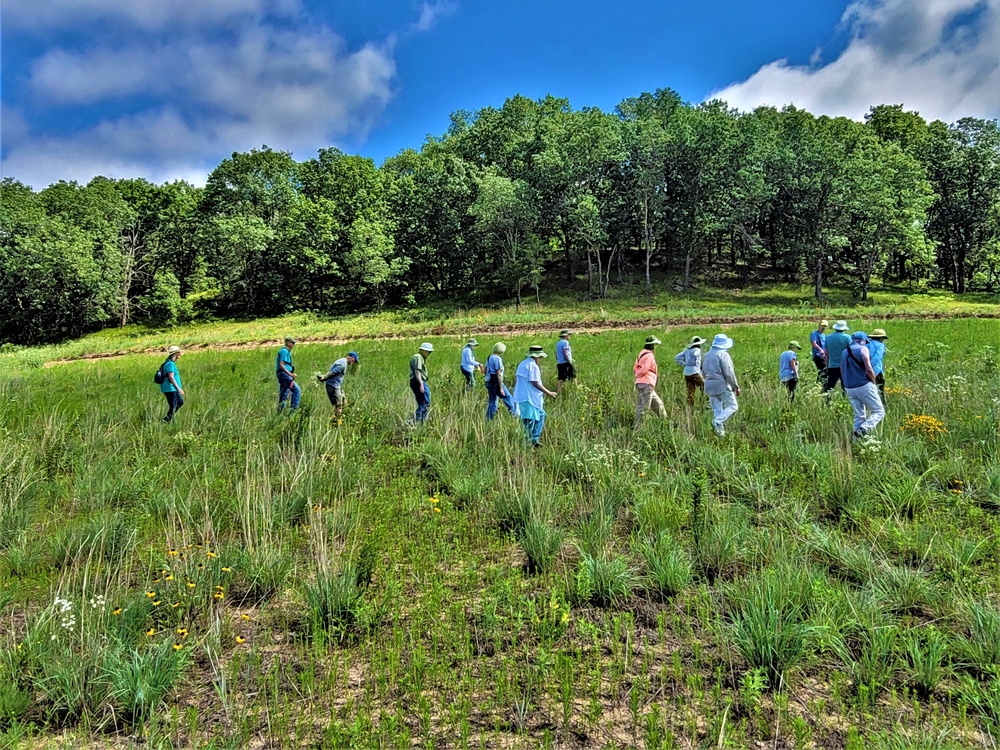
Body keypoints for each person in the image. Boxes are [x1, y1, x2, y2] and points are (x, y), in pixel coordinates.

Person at [841, 331, 885, 438]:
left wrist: (845, 385)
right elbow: (869, 368)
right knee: (879, 411)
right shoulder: (863, 349)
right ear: (863, 340)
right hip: (863, 385)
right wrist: (873, 382)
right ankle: (863, 429)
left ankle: (856, 441)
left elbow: (842, 370)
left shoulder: (844, 352)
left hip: (849, 387)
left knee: (859, 416)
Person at [513, 345, 557, 447]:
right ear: (537, 357)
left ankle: (534, 439)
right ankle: (527, 443)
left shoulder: (523, 364)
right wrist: (549, 392)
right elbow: (535, 382)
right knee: (529, 421)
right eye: (540, 357)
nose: (540, 359)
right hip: (529, 397)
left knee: (541, 415)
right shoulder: (533, 366)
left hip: (523, 396)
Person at [702, 334, 741, 437]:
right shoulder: (723, 354)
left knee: (717, 409)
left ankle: (720, 435)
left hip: (709, 384)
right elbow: (728, 372)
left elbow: (703, 371)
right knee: (733, 406)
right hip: (721, 384)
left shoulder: (707, 355)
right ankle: (718, 422)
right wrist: (735, 387)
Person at [317, 351, 359, 422]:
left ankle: (342, 419)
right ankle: (336, 422)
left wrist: (324, 377)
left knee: (344, 403)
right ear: (352, 358)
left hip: (336, 386)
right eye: (354, 361)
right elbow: (334, 372)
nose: (353, 363)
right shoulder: (342, 364)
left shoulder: (341, 361)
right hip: (333, 386)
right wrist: (324, 378)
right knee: (339, 406)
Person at [634, 336, 665, 429]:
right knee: (643, 408)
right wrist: (639, 374)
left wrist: (637, 374)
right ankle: (638, 429)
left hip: (642, 383)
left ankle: (666, 422)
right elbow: (644, 369)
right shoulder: (649, 356)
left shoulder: (641, 354)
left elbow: (635, 367)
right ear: (652, 346)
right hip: (646, 383)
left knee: (658, 404)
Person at [485, 342, 516, 421]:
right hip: (496, 382)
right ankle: (514, 415)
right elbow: (498, 374)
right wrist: (501, 388)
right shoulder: (497, 359)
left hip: (488, 381)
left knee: (492, 401)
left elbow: (485, 370)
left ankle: (488, 419)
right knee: (508, 398)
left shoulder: (490, 357)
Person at [675, 336, 706, 407]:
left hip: (687, 372)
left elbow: (677, 357)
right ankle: (703, 404)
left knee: (690, 391)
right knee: (705, 386)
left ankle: (690, 408)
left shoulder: (687, 350)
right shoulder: (697, 350)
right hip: (695, 372)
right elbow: (697, 358)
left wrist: (685, 364)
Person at [823, 321, 852, 398]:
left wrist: (826, 365)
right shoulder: (848, 338)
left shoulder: (828, 337)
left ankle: (827, 401)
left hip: (832, 365)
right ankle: (845, 399)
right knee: (845, 385)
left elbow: (826, 353)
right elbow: (851, 351)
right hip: (844, 365)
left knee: (830, 385)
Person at [159, 346, 185, 423]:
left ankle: (168, 419)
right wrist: (178, 389)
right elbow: (171, 377)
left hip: (170, 388)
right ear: (176, 354)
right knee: (174, 405)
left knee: (179, 402)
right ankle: (166, 420)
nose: (180, 355)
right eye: (179, 353)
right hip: (170, 388)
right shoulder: (170, 364)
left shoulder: (168, 363)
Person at [410, 343, 434, 423]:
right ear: (423, 350)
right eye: (428, 351)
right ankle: (418, 421)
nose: (429, 353)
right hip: (418, 382)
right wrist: (421, 384)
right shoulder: (418, 357)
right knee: (424, 403)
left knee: (423, 402)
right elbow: (417, 371)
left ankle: (420, 421)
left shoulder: (419, 357)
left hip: (417, 381)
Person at [276, 337, 300, 413]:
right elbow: (281, 364)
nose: (294, 345)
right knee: (296, 390)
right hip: (284, 375)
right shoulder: (284, 351)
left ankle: (279, 413)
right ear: (288, 343)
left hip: (283, 375)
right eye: (293, 343)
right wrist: (290, 374)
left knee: (284, 394)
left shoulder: (286, 352)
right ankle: (293, 411)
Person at [869, 328, 888, 403]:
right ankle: (882, 404)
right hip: (877, 369)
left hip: (866, 369)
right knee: (880, 388)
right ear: (880, 338)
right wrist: (870, 366)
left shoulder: (867, 344)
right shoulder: (880, 345)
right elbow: (877, 357)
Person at [555, 329, 575, 394]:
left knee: (560, 378)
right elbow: (565, 352)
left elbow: (556, 353)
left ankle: (558, 392)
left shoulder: (558, 343)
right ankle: (574, 390)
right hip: (566, 362)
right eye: (569, 335)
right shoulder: (565, 342)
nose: (569, 336)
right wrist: (569, 361)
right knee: (572, 376)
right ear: (566, 336)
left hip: (560, 363)